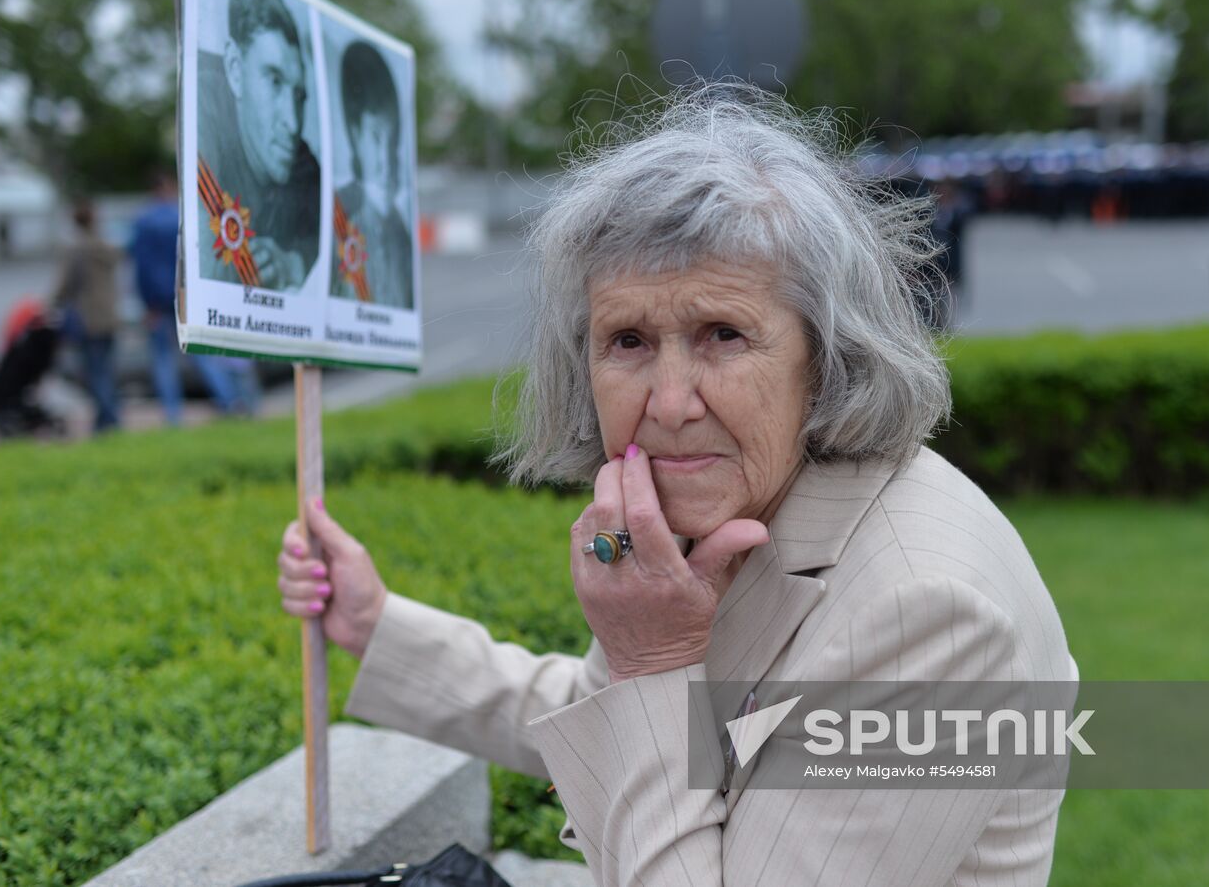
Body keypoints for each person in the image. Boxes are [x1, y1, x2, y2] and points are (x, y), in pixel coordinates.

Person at [274, 89, 1077, 886]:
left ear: (827, 355)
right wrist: (378, 625)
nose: (667, 402)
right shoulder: (749, 504)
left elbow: (649, 698)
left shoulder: (926, 617)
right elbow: (614, 709)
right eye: (627, 340)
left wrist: (657, 660)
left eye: (722, 336)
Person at [198, 0, 320, 292]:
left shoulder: (304, 165)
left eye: (298, 96)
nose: (293, 124)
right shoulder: (202, 115)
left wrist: (292, 263)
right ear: (235, 71)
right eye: (274, 82)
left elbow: (321, 243)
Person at [129, 170, 244, 424]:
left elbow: (142, 267)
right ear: (168, 187)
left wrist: (147, 302)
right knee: (200, 353)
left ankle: (173, 414)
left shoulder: (144, 222)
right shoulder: (184, 216)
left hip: (158, 300)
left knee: (163, 359)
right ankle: (227, 401)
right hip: (186, 296)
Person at [330, 40, 414, 309]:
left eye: (394, 139)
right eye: (376, 137)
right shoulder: (338, 214)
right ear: (354, 135)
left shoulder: (400, 228)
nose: (386, 158)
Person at [52, 198, 121, 433]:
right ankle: (110, 416)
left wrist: (49, 305)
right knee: (107, 370)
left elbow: (64, 286)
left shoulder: (77, 250)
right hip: (110, 316)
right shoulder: (107, 247)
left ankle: (106, 420)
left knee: (94, 372)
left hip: (88, 318)